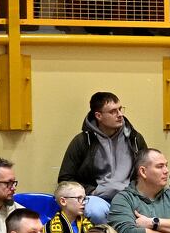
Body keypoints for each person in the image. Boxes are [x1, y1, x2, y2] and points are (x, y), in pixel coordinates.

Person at [59, 92, 149, 224]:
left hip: (130, 196)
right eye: (113, 111)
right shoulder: (83, 141)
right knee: (96, 211)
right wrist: (92, 191)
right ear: (98, 116)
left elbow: (146, 170)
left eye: (120, 109)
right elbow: (65, 179)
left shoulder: (134, 138)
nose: (120, 114)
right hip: (97, 197)